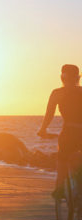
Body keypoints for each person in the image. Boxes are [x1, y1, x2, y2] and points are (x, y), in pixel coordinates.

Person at [38, 64, 82, 198]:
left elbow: (49, 114)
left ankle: (60, 188)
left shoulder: (58, 93)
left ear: (62, 77)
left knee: (63, 158)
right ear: (78, 77)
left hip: (69, 131)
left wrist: (43, 130)